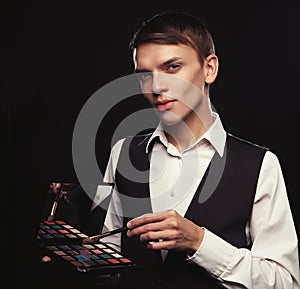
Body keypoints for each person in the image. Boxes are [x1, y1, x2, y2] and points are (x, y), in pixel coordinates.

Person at [100, 10, 300, 289]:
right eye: (145, 74)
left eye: (172, 67)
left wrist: (199, 242)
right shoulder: (123, 153)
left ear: (209, 69)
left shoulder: (260, 165)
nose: (156, 87)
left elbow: (284, 283)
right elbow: (109, 264)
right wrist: (74, 258)